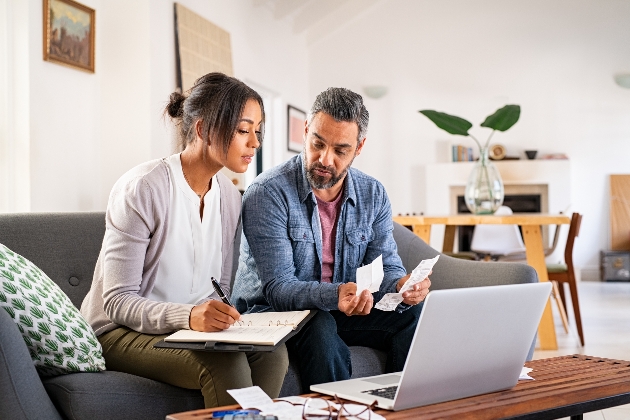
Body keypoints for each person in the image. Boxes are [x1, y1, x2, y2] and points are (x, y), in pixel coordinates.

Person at [80, 73, 288, 408]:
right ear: (204, 130)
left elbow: (217, 287)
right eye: (242, 130)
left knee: (273, 354)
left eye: (257, 131)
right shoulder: (143, 188)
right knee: (226, 363)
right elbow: (117, 302)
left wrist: (223, 318)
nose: (254, 143)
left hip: (189, 331)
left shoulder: (231, 198)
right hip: (120, 332)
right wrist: (190, 316)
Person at [232, 87, 431, 390]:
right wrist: (337, 294)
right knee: (321, 325)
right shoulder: (268, 192)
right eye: (317, 143)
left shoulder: (373, 194)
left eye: (340, 150)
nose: (325, 159)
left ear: (359, 147)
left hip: (340, 307)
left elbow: (387, 265)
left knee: (414, 314)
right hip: (272, 312)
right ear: (307, 130)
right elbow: (278, 289)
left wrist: (402, 285)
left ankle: (398, 408)